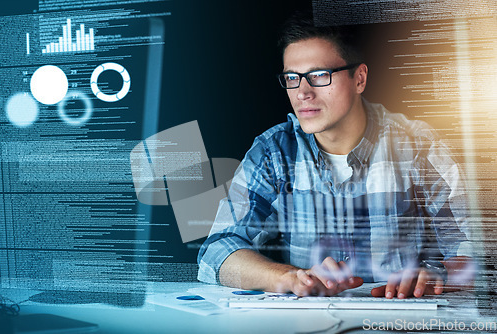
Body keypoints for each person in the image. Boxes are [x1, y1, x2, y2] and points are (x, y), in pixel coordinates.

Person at [197, 13, 475, 298]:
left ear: (360, 78)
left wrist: (434, 274)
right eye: (292, 78)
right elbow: (217, 251)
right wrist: (292, 278)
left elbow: (479, 248)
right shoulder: (273, 152)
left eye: (319, 75)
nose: (302, 92)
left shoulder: (419, 146)